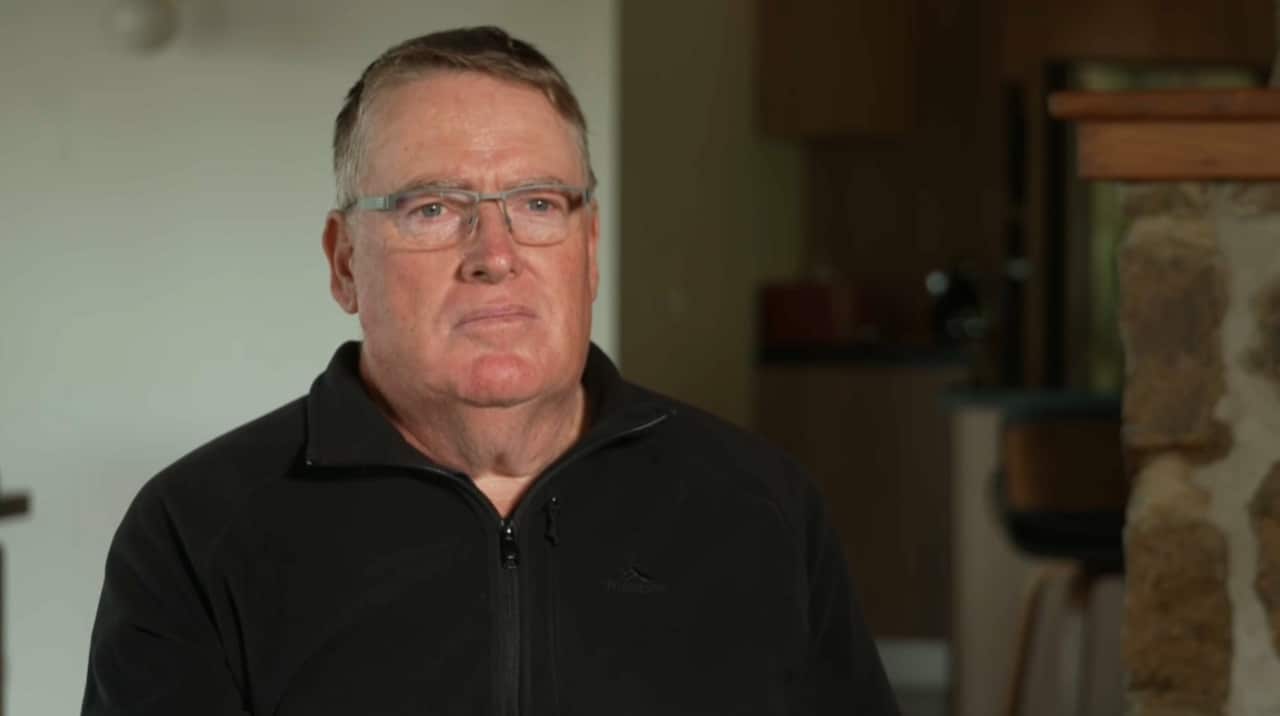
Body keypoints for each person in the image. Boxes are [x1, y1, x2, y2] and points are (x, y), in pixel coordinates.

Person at [81, 26, 900, 716]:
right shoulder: (194, 533)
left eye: (539, 204)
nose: (495, 257)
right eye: (432, 209)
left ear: (588, 249)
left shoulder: (761, 507)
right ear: (344, 265)